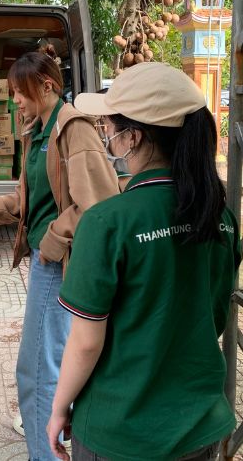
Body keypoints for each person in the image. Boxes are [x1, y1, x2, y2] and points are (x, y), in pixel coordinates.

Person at [47, 63, 241, 460]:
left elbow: (85, 344)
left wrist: (57, 408)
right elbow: (214, 315)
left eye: (108, 126)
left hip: (120, 432)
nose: (106, 135)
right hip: (199, 427)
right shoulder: (221, 217)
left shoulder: (106, 223)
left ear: (132, 137)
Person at [0, 46, 119, 460]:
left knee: (34, 371)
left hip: (59, 267)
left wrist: (52, 241)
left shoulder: (73, 129)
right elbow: (26, 198)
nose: (14, 100)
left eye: (20, 92)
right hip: (48, 264)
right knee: (50, 366)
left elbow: (98, 206)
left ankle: (42, 454)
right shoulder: (38, 130)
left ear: (47, 86)